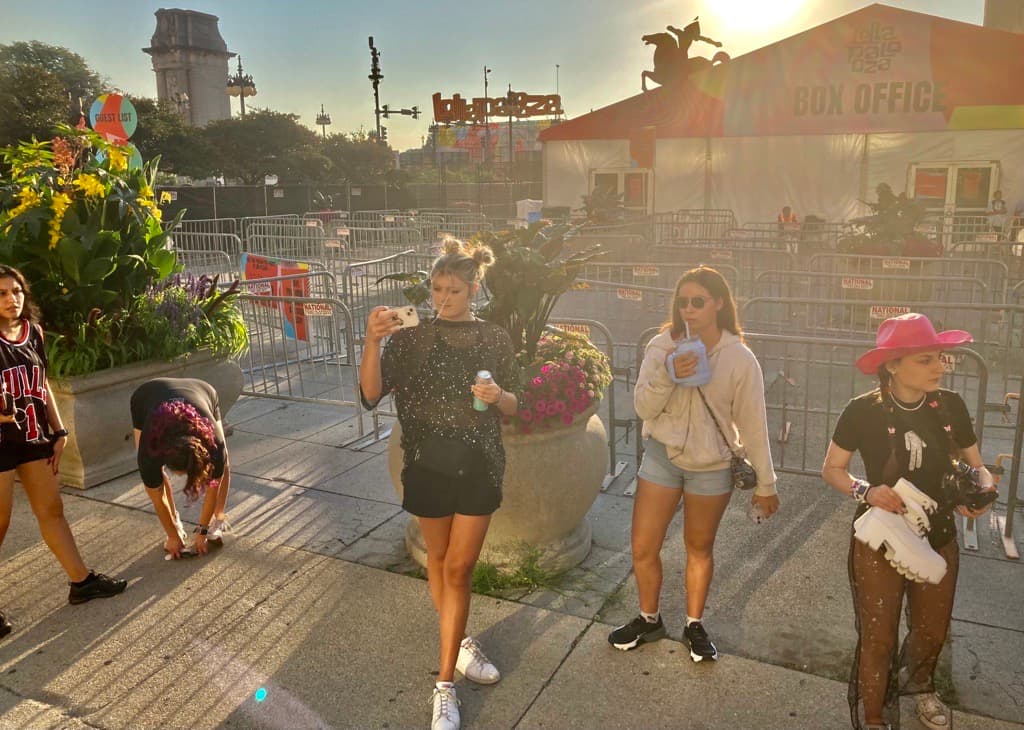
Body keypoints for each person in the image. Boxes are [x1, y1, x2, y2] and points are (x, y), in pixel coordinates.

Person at [359, 239, 519, 730]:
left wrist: (498, 395)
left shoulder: (494, 337)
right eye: (436, 288)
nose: (442, 297)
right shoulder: (410, 337)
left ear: (474, 290)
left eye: (453, 289)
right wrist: (371, 341)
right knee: (441, 562)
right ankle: (462, 640)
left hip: (479, 463)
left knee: (460, 568)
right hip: (427, 464)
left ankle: (444, 684)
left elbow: (516, 405)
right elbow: (370, 395)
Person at [822, 313, 996, 730]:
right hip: (881, 536)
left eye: (940, 358)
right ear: (893, 365)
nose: (939, 367)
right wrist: (867, 491)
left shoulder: (951, 405)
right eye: (925, 359)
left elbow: (979, 467)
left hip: (938, 534)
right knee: (878, 634)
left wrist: (980, 496)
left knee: (931, 630)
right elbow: (832, 469)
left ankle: (920, 689)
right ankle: (875, 716)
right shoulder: (861, 411)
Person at [608, 266, 779, 662]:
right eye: (683, 301)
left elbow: (754, 424)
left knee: (698, 548)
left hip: (712, 464)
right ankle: (649, 619)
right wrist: (669, 374)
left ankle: (694, 624)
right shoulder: (661, 345)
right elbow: (642, 407)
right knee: (642, 545)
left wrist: (766, 484)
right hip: (662, 457)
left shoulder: (739, 358)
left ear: (719, 303)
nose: (689, 309)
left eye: (698, 301)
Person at [0, 265, 127, 636]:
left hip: (34, 436)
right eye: (3, 294)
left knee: (52, 510)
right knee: (1, 523)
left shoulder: (33, 333)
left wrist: (59, 429)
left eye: (17, 291)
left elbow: (42, 386)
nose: (12, 299)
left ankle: (81, 582)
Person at [131, 377, 232, 559]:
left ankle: (218, 518)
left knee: (222, 464)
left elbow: (213, 485)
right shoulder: (149, 449)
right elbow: (156, 494)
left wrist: (202, 530)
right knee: (152, 476)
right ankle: (175, 522)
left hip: (202, 390)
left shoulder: (213, 445)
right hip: (147, 394)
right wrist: (171, 535)